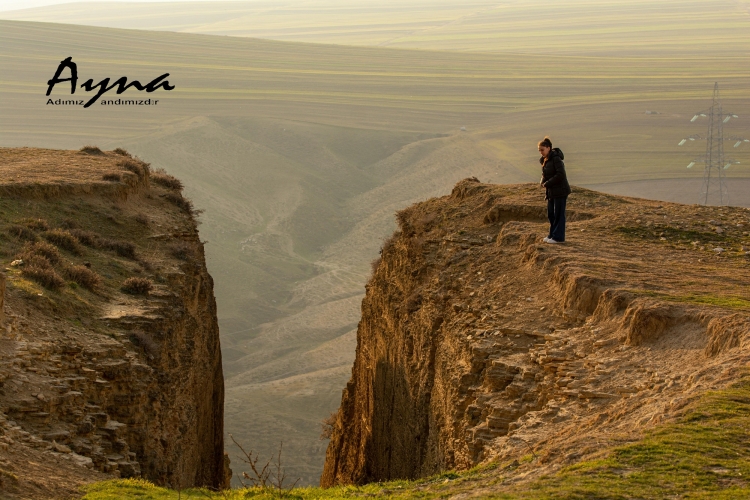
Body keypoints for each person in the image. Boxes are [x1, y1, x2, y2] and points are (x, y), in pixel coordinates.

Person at [538, 136, 571, 244]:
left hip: (560, 191)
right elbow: (546, 174)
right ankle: (552, 234)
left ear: (548, 148)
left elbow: (560, 174)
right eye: (540, 150)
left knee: (558, 214)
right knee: (551, 214)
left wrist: (548, 183)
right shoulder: (546, 160)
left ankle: (558, 237)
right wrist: (542, 181)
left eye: (542, 150)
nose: (541, 152)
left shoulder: (556, 159)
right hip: (552, 191)